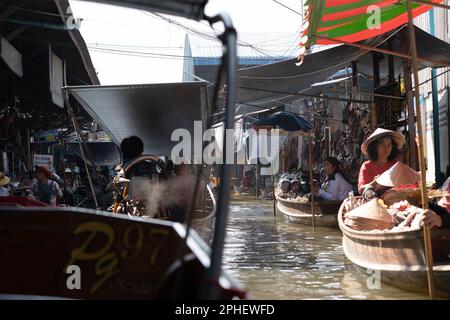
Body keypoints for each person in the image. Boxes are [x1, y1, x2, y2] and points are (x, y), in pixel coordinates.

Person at [358, 128, 405, 198]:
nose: (387, 148)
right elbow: (361, 189)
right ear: (374, 147)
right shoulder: (366, 166)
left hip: (395, 203)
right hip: (373, 204)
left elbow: (403, 185)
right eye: (382, 144)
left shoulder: (395, 165)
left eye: (389, 144)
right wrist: (375, 183)